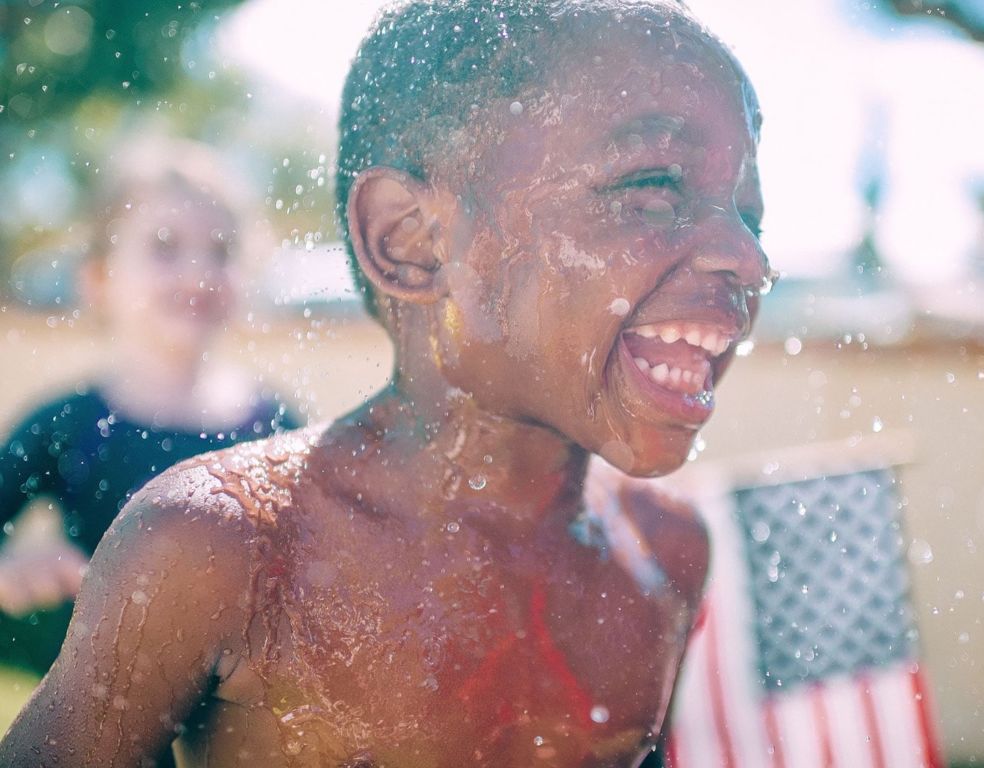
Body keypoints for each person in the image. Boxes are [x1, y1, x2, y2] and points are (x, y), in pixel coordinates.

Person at [0, 0, 771, 764]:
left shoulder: (667, 553)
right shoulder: (225, 544)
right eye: (653, 185)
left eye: (749, 214)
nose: (749, 258)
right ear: (412, 240)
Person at [0, 136, 301, 678]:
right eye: (164, 246)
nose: (196, 273)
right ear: (98, 280)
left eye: (221, 251)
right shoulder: (69, 426)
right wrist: (10, 572)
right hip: (98, 723)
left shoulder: (274, 428)